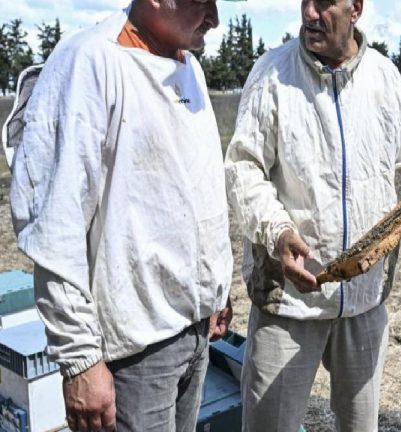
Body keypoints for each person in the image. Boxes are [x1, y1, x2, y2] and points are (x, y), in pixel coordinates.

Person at [224, 0, 401, 430]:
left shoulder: (384, 76)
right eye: (305, 1)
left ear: (356, 8)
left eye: (324, 2)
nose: (310, 13)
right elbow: (243, 168)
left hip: (363, 298)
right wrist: (279, 232)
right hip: (290, 300)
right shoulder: (271, 73)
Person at [8, 1, 237, 431]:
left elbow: (197, 194)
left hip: (195, 334)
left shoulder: (191, 68)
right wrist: (80, 361)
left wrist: (215, 290)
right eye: (202, 2)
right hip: (134, 356)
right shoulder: (90, 62)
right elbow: (56, 225)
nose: (213, 18)